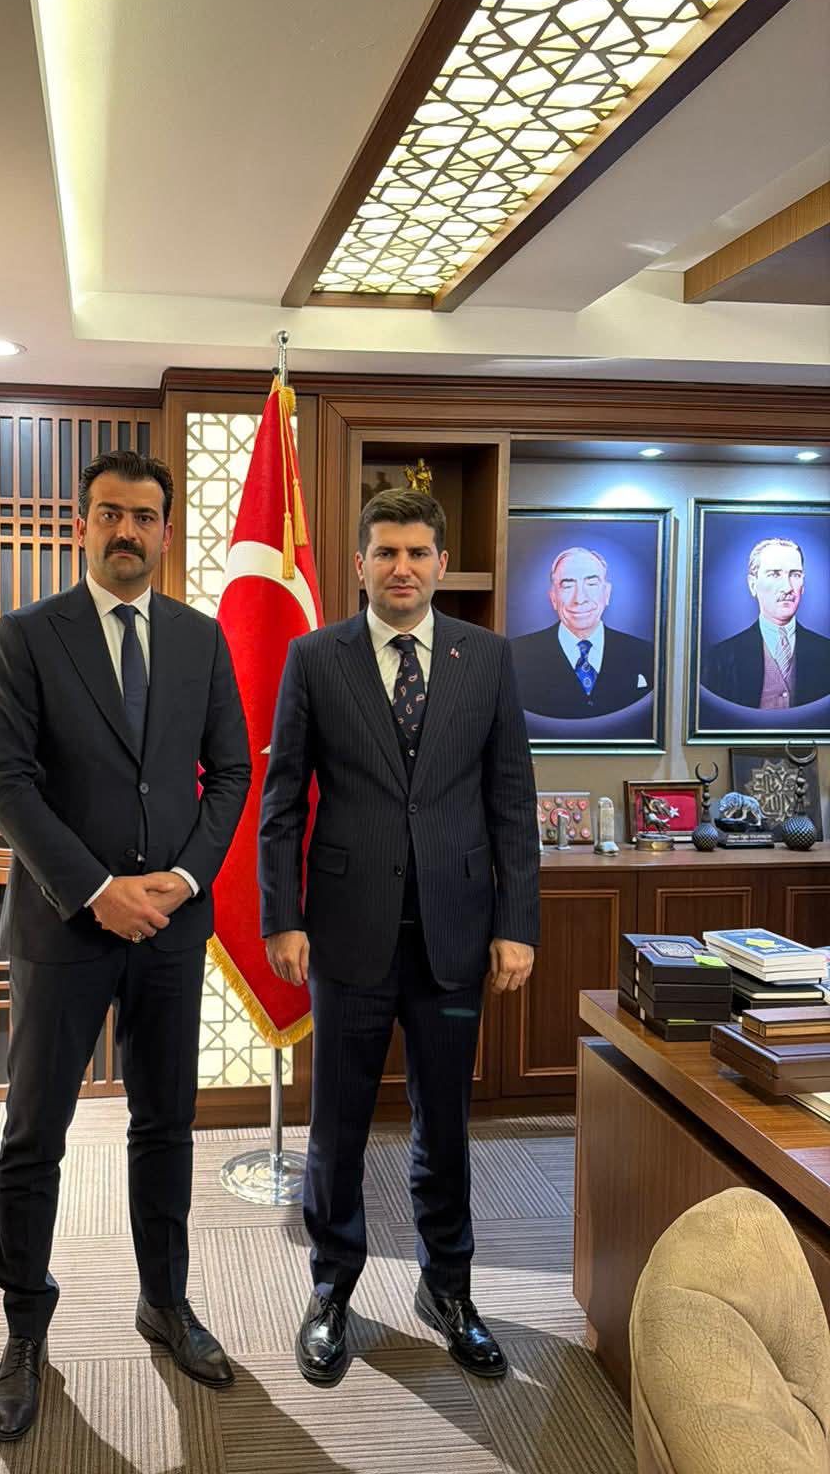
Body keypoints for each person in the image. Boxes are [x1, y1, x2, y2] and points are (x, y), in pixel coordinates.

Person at [0, 448, 250, 1442]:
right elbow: (2, 778)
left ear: (166, 531)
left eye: (143, 516)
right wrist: (96, 890)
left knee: (166, 1124)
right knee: (34, 1133)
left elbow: (230, 773)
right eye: (108, 513)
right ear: (81, 523)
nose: (126, 530)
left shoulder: (200, 639)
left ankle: (165, 1301)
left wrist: (183, 879)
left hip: (170, 927)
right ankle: (23, 1328)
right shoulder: (28, 634)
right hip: (65, 926)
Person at [259, 487, 539, 1387]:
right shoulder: (315, 657)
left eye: (418, 553)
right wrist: (282, 915)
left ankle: (447, 1289)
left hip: (455, 933)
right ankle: (331, 1290)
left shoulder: (485, 658)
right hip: (346, 934)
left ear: (442, 564)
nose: (403, 568)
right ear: (360, 564)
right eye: (386, 552)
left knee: (444, 1123)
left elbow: (512, 799)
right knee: (337, 1125)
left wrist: (516, 924)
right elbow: (281, 801)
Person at [510, 545, 654, 720]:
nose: (580, 599)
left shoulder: (645, 654)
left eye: (591, 584)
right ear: (553, 598)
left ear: (607, 594)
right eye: (568, 586)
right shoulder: (516, 655)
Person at [703, 537, 830, 709]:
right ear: (753, 584)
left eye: (795, 575)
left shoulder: (826, 652)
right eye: (775, 574)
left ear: (803, 584)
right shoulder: (722, 658)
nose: (787, 587)